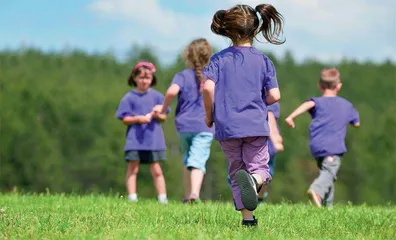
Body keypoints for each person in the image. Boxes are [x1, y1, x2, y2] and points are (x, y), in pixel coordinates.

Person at [202, 3, 285, 226]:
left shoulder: (219, 59)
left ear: (229, 31)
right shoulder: (263, 60)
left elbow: (208, 88)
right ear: (256, 30)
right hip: (255, 125)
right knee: (260, 169)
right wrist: (259, 101)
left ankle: (248, 220)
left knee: (236, 172)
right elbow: (275, 95)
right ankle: (254, 179)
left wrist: (210, 115)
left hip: (227, 126)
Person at [285, 68, 360, 208]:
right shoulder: (346, 105)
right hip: (333, 147)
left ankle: (327, 207)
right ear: (339, 86)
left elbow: (308, 104)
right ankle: (316, 191)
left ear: (319, 86)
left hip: (316, 146)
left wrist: (291, 117)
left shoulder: (317, 102)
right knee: (329, 173)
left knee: (327, 174)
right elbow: (357, 123)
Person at [160, 38, 214, 203]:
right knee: (197, 160)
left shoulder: (182, 76)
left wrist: (163, 110)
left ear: (188, 55)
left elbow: (171, 92)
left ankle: (187, 195)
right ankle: (194, 194)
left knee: (187, 159)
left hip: (184, 126)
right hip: (204, 126)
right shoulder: (211, 77)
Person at [115, 61, 170, 204]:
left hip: (153, 140)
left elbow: (164, 117)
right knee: (133, 168)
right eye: (141, 78)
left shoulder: (158, 97)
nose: (144, 81)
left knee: (157, 170)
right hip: (135, 140)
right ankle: (132, 198)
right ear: (134, 78)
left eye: (148, 78)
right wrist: (137, 119)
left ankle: (162, 199)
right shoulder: (129, 97)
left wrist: (159, 115)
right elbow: (124, 118)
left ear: (152, 79)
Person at [258, 102, 284, 203]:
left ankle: (257, 198)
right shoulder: (271, 100)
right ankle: (258, 198)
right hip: (267, 144)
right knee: (266, 174)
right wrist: (275, 140)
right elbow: (270, 121)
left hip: (255, 141)